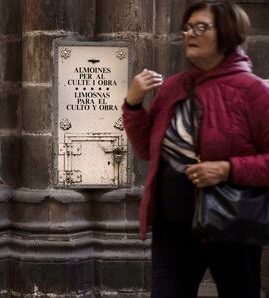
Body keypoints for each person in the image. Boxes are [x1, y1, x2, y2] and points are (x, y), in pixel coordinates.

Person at [122, 1, 269, 297]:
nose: (191, 34)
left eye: (202, 27)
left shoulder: (253, 91)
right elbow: (146, 150)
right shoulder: (173, 87)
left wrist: (227, 169)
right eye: (187, 27)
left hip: (231, 225)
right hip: (173, 226)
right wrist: (134, 103)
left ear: (227, 33)